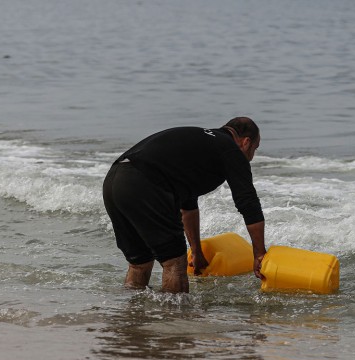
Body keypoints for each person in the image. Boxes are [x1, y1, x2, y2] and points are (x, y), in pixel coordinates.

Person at [102, 117, 265, 293]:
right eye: (254, 149)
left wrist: (196, 252)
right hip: (144, 184)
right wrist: (259, 254)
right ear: (246, 142)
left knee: (139, 263)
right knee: (174, 264)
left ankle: (132, 314)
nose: (251, 157)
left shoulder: (202, 144)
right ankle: (175, 318)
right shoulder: (230, 150)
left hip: (115, 181)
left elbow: (188, 206)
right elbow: (248, 203)